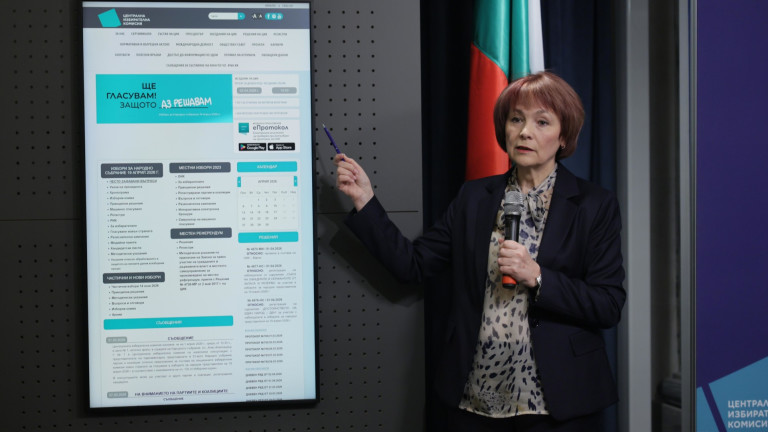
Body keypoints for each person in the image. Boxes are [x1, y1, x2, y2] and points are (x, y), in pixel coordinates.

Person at [333, 71, 625, 432]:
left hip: (559, 404)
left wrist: (538, 277)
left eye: (542, 122)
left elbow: (608, 304)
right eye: (516, 119)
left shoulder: (594, 205)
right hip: (475, 399)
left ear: (564, 136)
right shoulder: (474, 197)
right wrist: (365, 200)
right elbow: (412, 264)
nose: (525, 132)